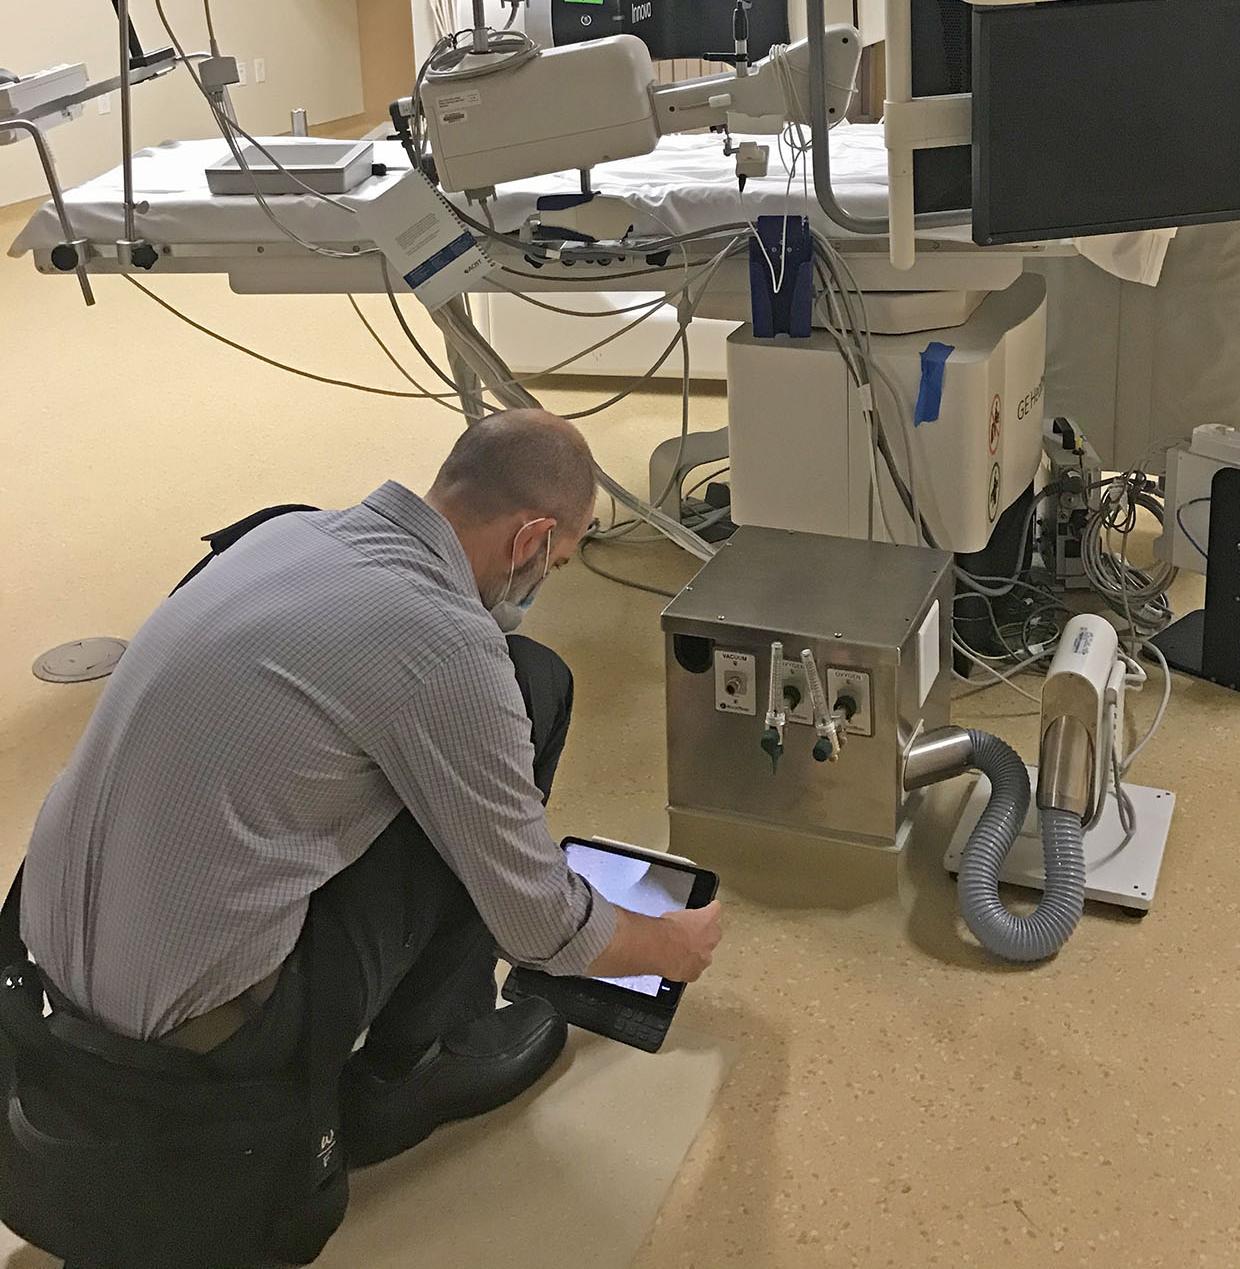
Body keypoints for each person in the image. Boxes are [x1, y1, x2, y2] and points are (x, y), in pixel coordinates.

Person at [11, 409, 721, 1239]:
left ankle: (400, 1037)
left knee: (493, 699)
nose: (540, 586)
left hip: (48, 969)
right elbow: (541, 929)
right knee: (519, 708)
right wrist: (670, 946)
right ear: (530, 540)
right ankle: (409, 1072)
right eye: (554, 566)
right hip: (200, 1041)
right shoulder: (448, 647)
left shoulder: (281, 536)